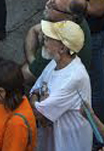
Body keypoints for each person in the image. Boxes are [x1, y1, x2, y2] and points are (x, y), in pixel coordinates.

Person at [31, 19, 92, 151]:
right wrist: (39, 98)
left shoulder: (73, 78)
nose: (44, 40)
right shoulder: (56, 62)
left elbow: (39, 114)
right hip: (53, 138)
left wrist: (38, 99)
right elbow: (34, 91)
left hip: (69, 143)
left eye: (49, 38)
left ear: (63, 48)